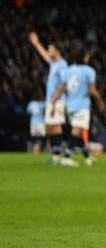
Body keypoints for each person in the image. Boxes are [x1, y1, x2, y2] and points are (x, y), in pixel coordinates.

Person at [50, 46, 104, 167]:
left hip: (70, 106)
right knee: (77, 131)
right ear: (84, 57)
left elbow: (62, 88)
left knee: (78, 133)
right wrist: (100, 101)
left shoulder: (68, 70)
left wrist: (54, 100)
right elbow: (93, 90)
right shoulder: (89, 71)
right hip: (82, 105)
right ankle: (67, 157)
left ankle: (87, 157)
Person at [28, 32, 69, 165]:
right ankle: (56, 155)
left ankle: (59, 156)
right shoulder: (54, 63)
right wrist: (36, 44)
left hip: (57, 100)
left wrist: (55, 100)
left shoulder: (62, 64)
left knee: (55, 126)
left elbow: (64, 84)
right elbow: (45, 56)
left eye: (50, 49)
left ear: (57, 51)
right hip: (51, 100)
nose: (49, 51)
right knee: (50, 127)